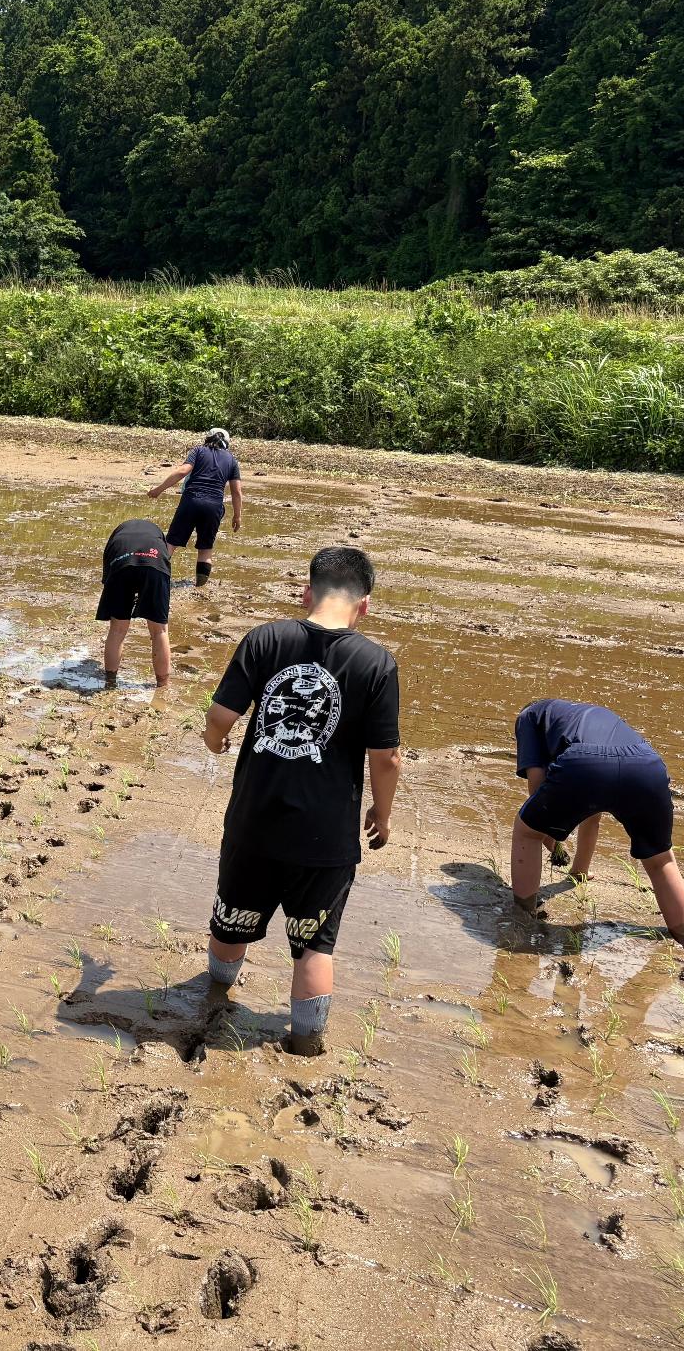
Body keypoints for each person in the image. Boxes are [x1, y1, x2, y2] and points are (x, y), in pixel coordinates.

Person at [199, 547, 402, 1055]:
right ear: (365, 606)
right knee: (314, 944)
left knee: (233, 916)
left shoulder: (266, 638)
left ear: (307, 592)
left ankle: (217, 993)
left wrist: (214, 739)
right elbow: (387, 757)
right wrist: (381, 810)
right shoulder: (376, 663)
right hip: (326, 834)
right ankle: (306, 1043)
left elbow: (221, 717)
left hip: (254, 819)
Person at [507, 699, 684, 949]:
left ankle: (522, 918)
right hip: (647, 765)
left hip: (585, 764)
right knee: (661, 859)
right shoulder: (584, 716)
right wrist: (578, 872)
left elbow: (536, 790)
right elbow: (591, 810)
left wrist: (553, 845)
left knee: (527, 832)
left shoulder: (528, 715)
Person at [149, 428, 243, 586]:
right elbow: (237, 492)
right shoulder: (231, 460)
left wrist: (159, 490)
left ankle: (153, 580)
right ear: (227, 442)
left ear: (207, 439)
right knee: (206, 549)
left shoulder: (198, 451)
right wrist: (237, 516)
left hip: (191, 501)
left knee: (171, 543)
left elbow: (182, 472)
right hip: (214, 507)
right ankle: (200, 588)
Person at [96, 517, 173, 687]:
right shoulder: (158, 536)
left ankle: (110, 682)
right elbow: (166, 563)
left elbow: (106, 578)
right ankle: (162, 686)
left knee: (117, 629)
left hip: (121, 563)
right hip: (155, 563)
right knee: (159, 631)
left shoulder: (116, 537)